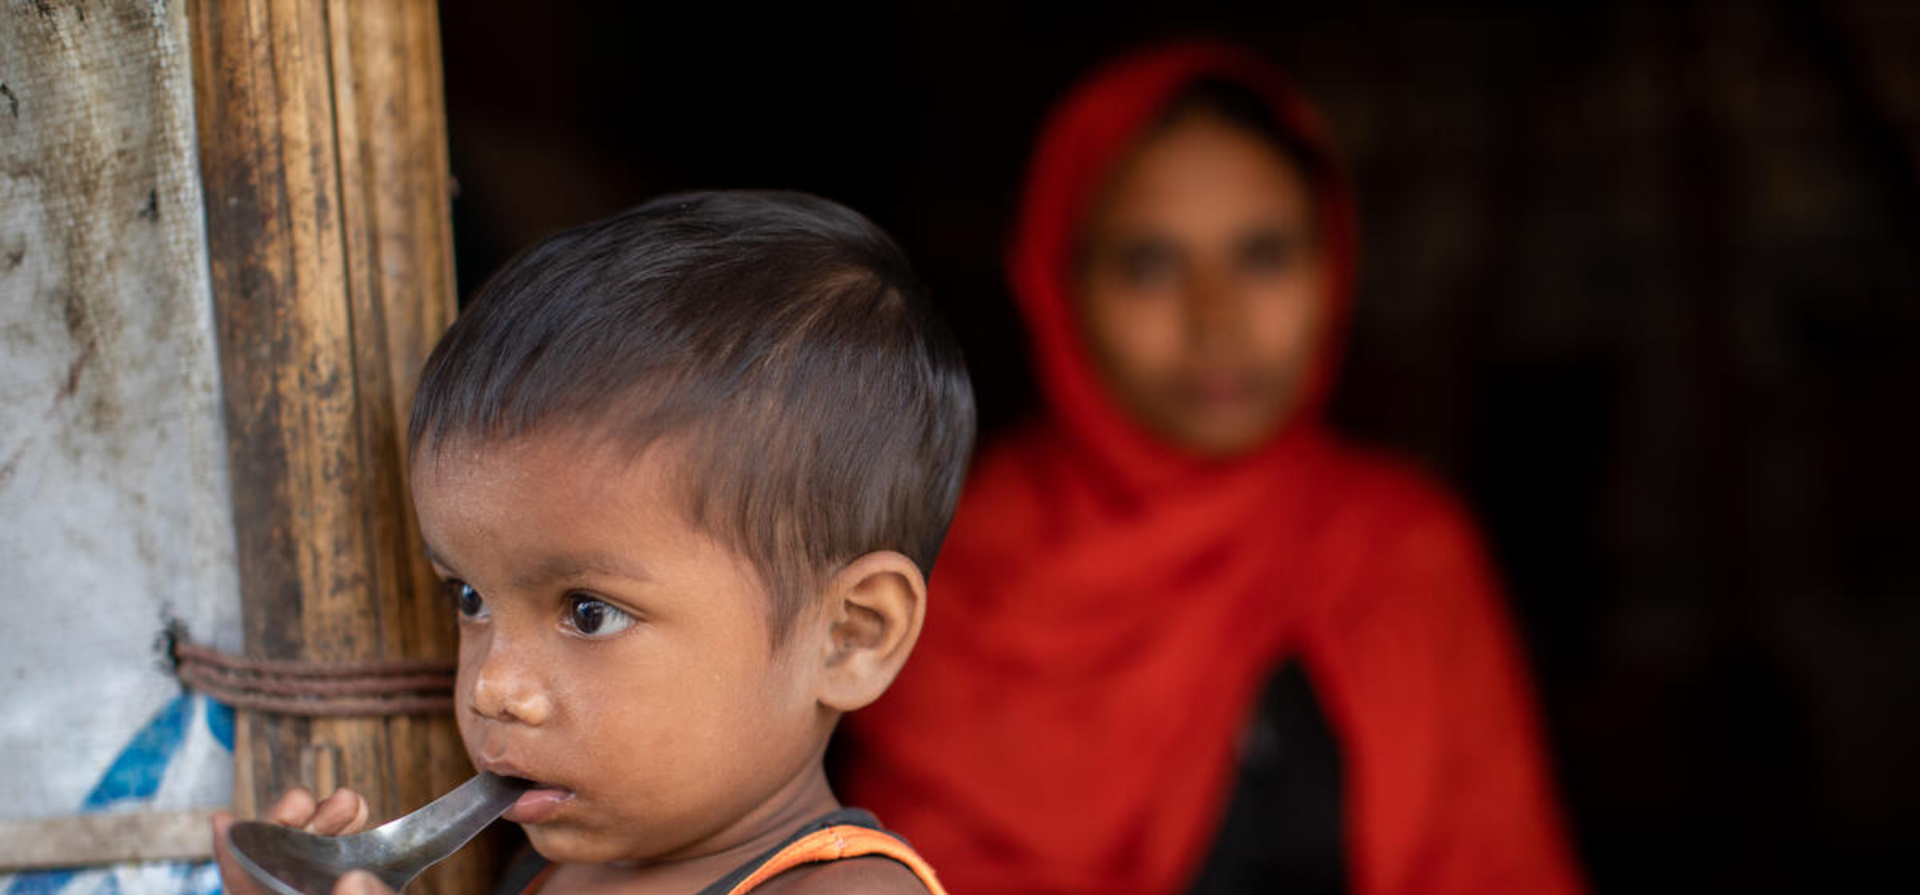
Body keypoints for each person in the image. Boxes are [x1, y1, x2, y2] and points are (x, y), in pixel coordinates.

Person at [839, 43, 1586, 895]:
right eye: (1150, 264)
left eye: (1263, 254)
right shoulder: (959, 570)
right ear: (1057, 280)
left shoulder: (1408, 549)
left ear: (1333, 263)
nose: (1216, 318)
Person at [210, 191, 975, 895]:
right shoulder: (545, 871)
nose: (492, 686)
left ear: (848, 635)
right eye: (470, 598)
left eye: (588, 612)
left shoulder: (845, 892)